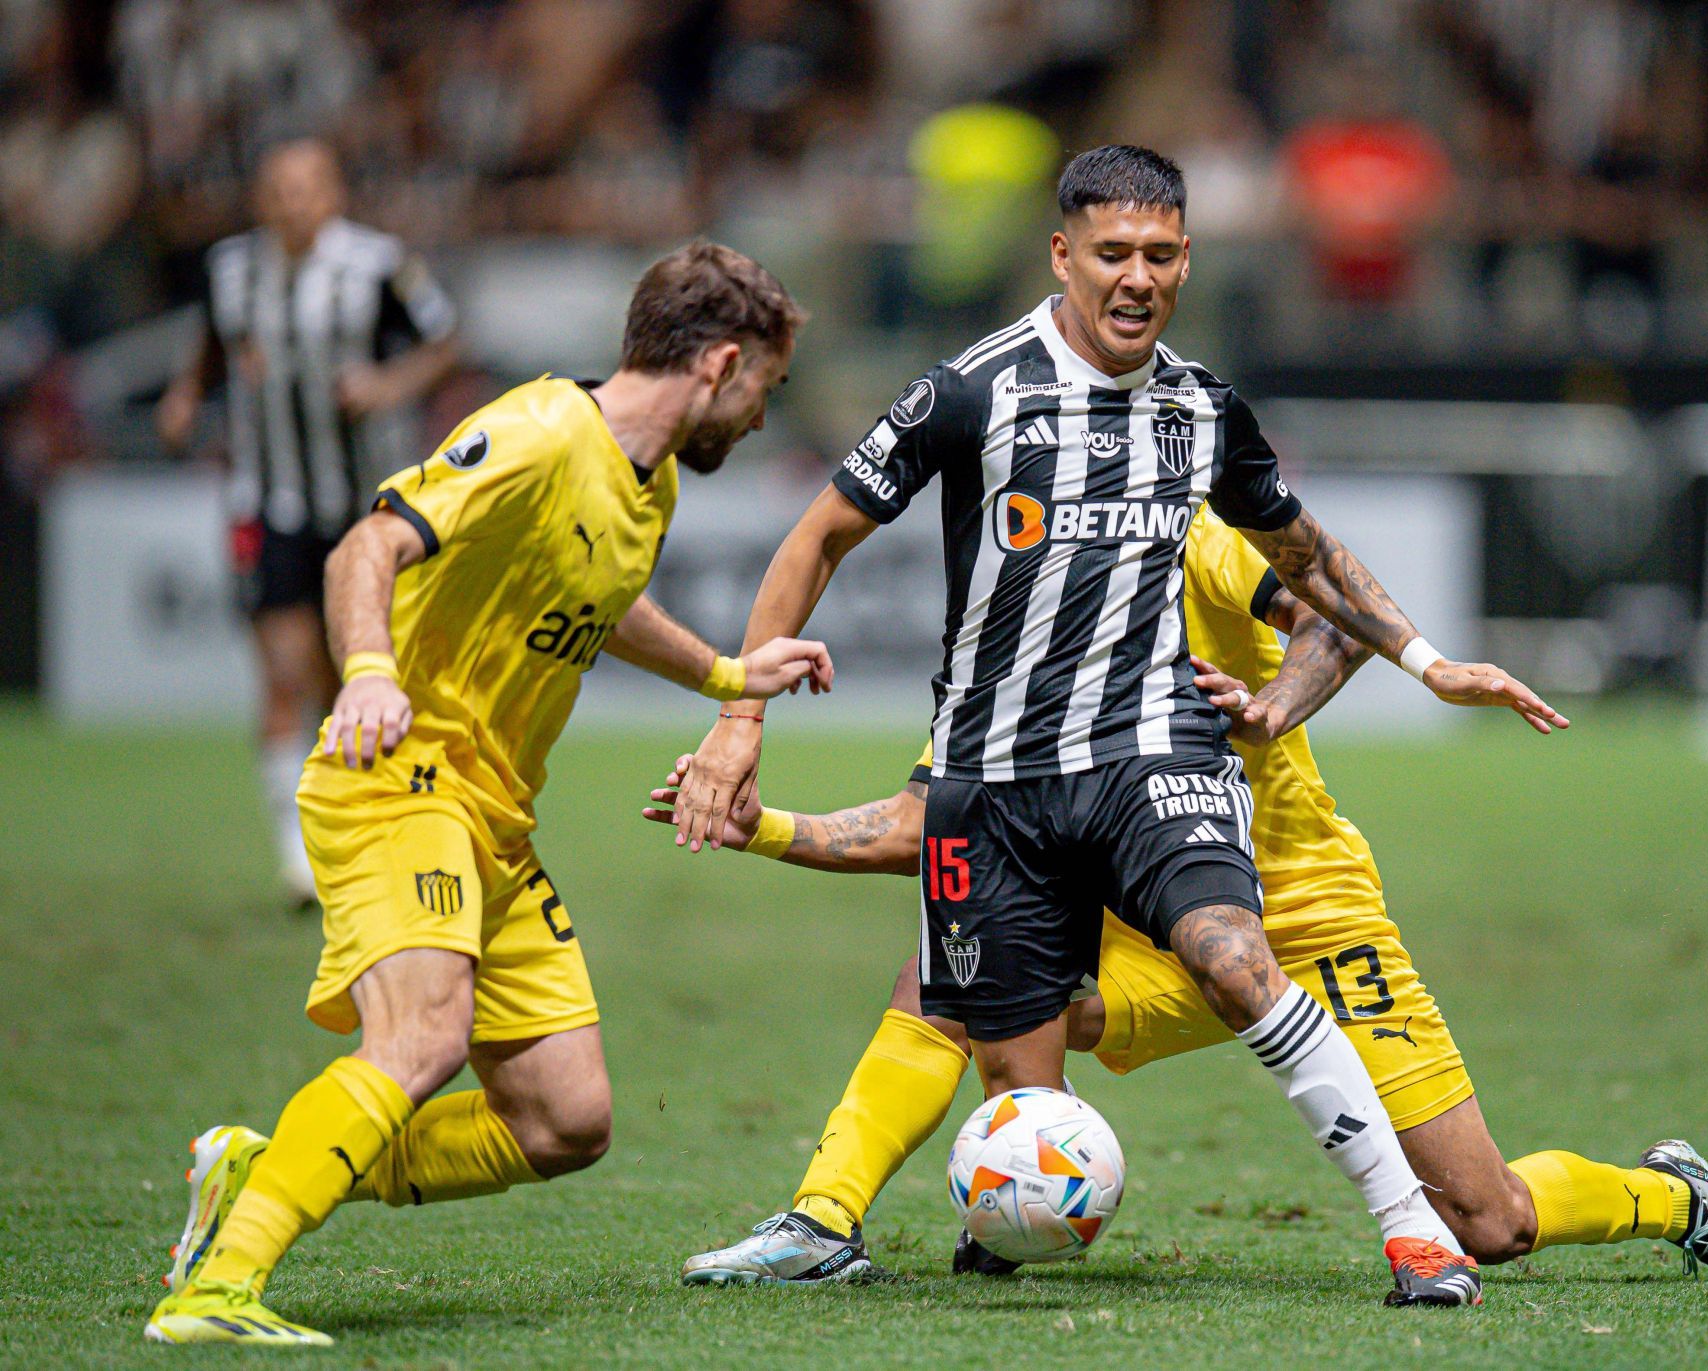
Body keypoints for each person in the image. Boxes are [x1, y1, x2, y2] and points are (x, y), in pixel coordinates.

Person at [673, 145, 1570, 1306]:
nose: (1135, 278)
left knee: (1235, 960)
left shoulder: (1204, 409)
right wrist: (741, 719)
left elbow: (1309, 557)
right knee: (1008, 1058)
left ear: (1186, 260)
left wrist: (1431, 661)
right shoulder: (968, 392)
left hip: (1154, 756)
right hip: (993, 780)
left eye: (1159, 254)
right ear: (1063, 255)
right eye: (1112, 254)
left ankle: (1414, 1235)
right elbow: (817, 538)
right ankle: (913, 1226)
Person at [651, 504, 1708, 1289]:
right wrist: (769, 830)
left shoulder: (1191, 537)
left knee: (1489, 1220)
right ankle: (826, 1222)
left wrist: (1269, 707)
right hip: (1137, 918)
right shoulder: (1004, 643)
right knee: (953, 959)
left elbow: (1334, 622)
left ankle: (1669, 1198)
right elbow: (932, 822)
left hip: (1301, 904)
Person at [144, 242, 834, 1347]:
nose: (762, 415)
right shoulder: (541, 430)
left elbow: (600, 602)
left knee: (566, 1120)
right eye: (764, 384)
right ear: (717, 364)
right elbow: (363, 548)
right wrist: (369, 671)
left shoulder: (643, 485)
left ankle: (265, 1170)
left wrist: (721, 673)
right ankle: (216, 1288)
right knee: (420, 1046)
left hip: (495, 816)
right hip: (399, 779)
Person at [157, 139, 460, 906]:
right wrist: (187, 396)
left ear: (333, 194)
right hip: (268, 497)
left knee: (341, 678)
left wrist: (389, 384)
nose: (293, 202)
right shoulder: (233, 270)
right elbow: (212, 346)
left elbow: (446, 341)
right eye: (279, 189)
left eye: (307, 188)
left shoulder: (379, 265)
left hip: (363, 504)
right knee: (282, 671)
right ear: (262, 197)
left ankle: (346, 835)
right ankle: (299, 859)